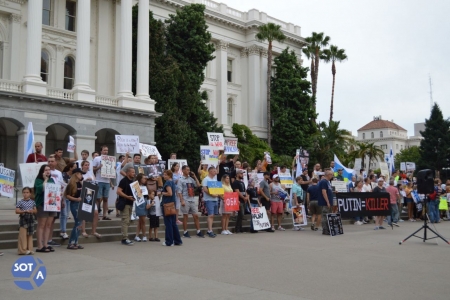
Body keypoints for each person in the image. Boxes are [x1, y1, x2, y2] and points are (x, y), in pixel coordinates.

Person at [177, 165, 204, 238]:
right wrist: (181, 200)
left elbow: (198, 185)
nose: (188, 171)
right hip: (185, 199)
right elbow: (179, 191)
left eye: (189, 170)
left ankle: (198, 231)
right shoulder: (180, 180)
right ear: (183, 171)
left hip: (192, 199)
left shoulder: (191, 179)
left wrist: (195, 176)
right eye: (186, 170)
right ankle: (185, 232)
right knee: (185, 216)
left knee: (195, 216)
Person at [34, 164, 56, 253]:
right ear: (42, 171)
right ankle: (40, 245)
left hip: (51, 204)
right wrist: (45, 180)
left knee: (48, 225)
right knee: (41, 225)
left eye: (49, 170)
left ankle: (46, 244)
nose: (48, 171)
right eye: (46, 170)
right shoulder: (38, 180)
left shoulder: (52, 180)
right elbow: (41, 189)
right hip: (42, 204)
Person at [47, 155, 66, 247]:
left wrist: (62, 200)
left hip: (56, 198)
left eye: (52, 161)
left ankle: (49, 239)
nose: (50, 163)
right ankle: (45, 239)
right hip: (47, 198)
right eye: (49, 161)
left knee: (53, 220)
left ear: (56, 162)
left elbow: (61, 185)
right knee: (46, 221)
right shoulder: (45, 171)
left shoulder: (58, 173)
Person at [64, 168, 85, 250]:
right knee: (78, 222)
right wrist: (76, 199)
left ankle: (76, 242)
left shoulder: (80, 183)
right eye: (80, 174)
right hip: (75, 204)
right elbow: (67, 195)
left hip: (80, 204)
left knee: (79, 224)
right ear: (76, 174)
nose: (81, 175)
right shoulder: (71, 184)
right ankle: (71, 242)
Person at [80, 161, 101, 238]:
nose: (87, 166)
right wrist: (85, 181)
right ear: (82, 166)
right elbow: (79, 183)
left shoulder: (91, 173)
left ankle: (94, 231)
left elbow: (95, 182)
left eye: (88, 165)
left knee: (95, 213)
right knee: (84, 213)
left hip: (91, 193)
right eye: (85, 165)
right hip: (83, 194)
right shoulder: (80, 173)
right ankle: (83, 231)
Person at [161, 170, 183, 246]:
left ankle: (169, 241)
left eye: (165, 175)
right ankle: (177, 240)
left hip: (167, 204)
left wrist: (161, 193)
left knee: (168, 224)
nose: (164, 176)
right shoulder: (173, 182)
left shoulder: (167, 183)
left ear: (169, 175)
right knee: (173, 223)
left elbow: (169, 193)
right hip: (172, 204)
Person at [93, 145, 114, 220]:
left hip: (107, 181)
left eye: (107, 150)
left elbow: (112, 171)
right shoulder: (97, 158)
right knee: (98, 198)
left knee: (106, 198)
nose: (106, 152)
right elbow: (93, 169)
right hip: (99, 180)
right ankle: (96, 214)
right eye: (104, 150)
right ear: (101, 151)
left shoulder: (110, 159)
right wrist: (99, 167)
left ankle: (104, 215)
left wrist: (113, 169)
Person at [116, 167, 136, 245]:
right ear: (127, 173)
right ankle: (124, 238)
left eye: (134, 172)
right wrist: (127, 197)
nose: (134, 173)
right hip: (125, 203)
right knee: (125, 220)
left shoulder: (133, 182)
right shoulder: (124, 181)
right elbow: (118, 191)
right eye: (132, 172)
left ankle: (125, 236)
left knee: (130, 221)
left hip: (131, 203)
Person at [16, 187, 37, 255]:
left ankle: (29, 249)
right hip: (23, 218)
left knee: (30, 234)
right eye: (24, 192)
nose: (25, 194)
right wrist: (24, 211)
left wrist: (32, 211)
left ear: (30, 194)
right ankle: (22, 250)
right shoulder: (20, 202)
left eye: (27, 192)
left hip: (30, 218)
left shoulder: (32, 202)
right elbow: (17, 211)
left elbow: (35, 210)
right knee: (23, 234)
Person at [60, 163, 76, 240]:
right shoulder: (63, 175)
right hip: (63, 196)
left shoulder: (74, 176)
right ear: (70, 168)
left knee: (66, 215)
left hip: (69, 196)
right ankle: (63, 231)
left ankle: (64, 230)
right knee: (64, 214)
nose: (75, 168)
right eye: (74, 167)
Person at [202, 166, 219, 237]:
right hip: (209, 199)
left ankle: (210, 229)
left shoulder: (215, 180)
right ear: (210, 171)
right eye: (214, 171)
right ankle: (209, 230)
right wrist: (212, 195)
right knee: (210, 215)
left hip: (215, 199)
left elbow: (218, 189)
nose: (216, 172)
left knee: (213, 215)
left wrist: (219, 195)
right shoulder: (206, 179)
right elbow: (205, 189)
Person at [232, 169, 249, 233]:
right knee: (240, 214)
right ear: (237, 174)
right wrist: (243, 197)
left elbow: (245, 191)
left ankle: (240, 228)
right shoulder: (235, 182)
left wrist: (246, 197)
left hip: (244, 199)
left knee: (242, 215)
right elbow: (237, 191)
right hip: (239, 200)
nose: (242, 175)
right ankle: (237, 229)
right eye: (241, 174)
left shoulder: (242, 182)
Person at [134, 173, 149, 242]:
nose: (145, 179)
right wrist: (139, 192)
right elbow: (136, 195)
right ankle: (144, 235)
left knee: (141, 220)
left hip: (145, 202)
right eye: (143, 178)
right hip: (139, 203)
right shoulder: (136, 186)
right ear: (140, 179)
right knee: (142, 220)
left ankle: (137, 235)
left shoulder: (145, 186)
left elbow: (147, 196)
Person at [319, 170, 333, 235]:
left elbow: (328, 191)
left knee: (328, 215)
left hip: (329, 202)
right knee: (325, 216)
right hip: (324, 202)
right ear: (328, 175)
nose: (332, 176)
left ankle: (328, 228)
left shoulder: (328, 182)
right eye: (331, 174)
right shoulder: (324, 182)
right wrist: (327, 202)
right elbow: (324, 192)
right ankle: (325, 229)